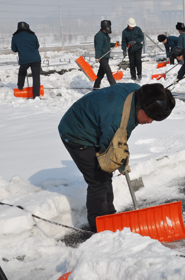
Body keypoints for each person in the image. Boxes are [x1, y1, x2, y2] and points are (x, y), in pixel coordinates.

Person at [58, 83, 175, 232]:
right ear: (141, 107)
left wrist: (121, 158)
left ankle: (110, 216)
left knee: (106, 174)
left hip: (95, 125)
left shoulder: (138, 95)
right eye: (150, 117)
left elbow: (120, 136)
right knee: (98, 180)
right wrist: (120, 161)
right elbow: (111, 149)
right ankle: (99, 227)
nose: (150, 121)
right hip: (76, 133)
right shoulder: (116, 118)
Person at [11, 21, 42, 99]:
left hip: (24, 60)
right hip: (36, 59)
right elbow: (37, 45)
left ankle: (20, 87)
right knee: (36, 77)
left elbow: (14, 49)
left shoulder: (15, 36)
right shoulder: (32, 34)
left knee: (22, 72)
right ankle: (36, 95)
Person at [94, 20, 119, 90]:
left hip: (106, 56)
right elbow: (98, 47)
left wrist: (114, 44)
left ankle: (95, 88)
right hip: (102, 57)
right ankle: (115, 87)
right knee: (108, 72)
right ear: (104, 27)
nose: (109, 28)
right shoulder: (99, 36)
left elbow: (107, 45)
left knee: (100, 74)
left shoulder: (105, 35)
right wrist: (97, 57)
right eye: (108, 27)